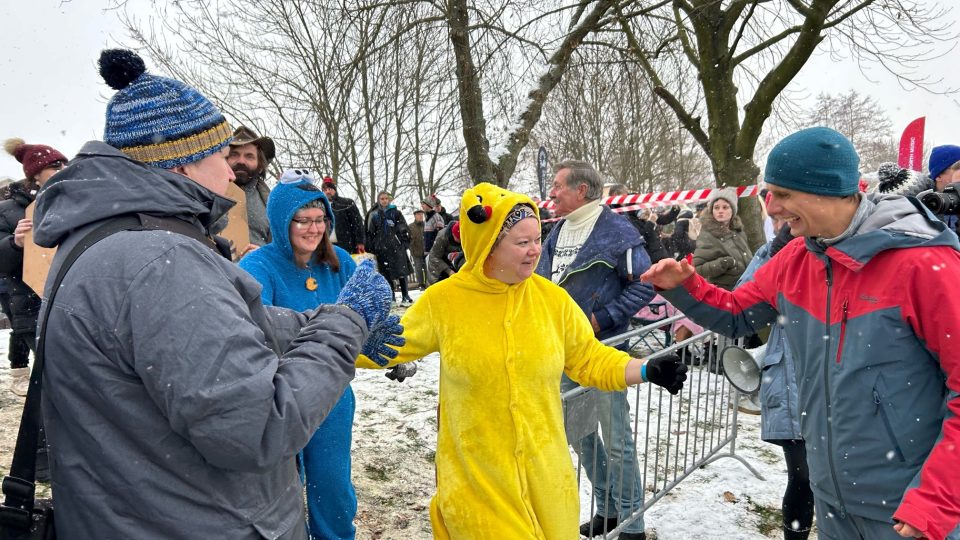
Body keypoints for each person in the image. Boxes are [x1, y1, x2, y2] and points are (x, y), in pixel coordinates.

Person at [32, 49, 399, 539]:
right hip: (200, 521)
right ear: (180, 166)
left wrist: (326, 322)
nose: (230, 173)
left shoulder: (111, 240)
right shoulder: (160, 263)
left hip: (144, 509)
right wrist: (348, 322)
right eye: (218, 156)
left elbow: (231, 330)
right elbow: (260, 426)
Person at [642, 127, 960, 540]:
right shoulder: (797, 257)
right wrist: (685, 285)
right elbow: (738, 314)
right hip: (832, 500)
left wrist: (935, 499)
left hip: (910, 512)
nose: (772, 206)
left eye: (784, 194)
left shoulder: (924, 265)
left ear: (827, 190)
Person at [361, 182, 686, 538]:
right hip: (479, 476)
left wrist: (646, 368)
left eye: (537, 239)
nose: (535, 251)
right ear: (488, 245)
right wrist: (346, 335)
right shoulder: (445, 302)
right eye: (522, 242)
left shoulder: (552, 301)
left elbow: (589, 359)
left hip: (546, 475)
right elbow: (385, 347)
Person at [238, 169, 361, 539]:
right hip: (278, 398)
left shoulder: (339, 262)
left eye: (320, 219)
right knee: (284, 487)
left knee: (333, 485)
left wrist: (381, 340)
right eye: (302, 220)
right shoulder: (258, 266)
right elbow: (254, 330)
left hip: (331, 396)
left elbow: (363, 316)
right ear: (281, 221)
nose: (313, 228)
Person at [537, 160, 654, 540]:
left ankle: (632, 524)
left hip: (604, 350)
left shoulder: (617, 232)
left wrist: (602, 318)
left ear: (581, 190)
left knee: (617, 439)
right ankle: (607, 509)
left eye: (557, 186)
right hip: (563, 351)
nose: (551, 193)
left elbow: (645, 284)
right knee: (581, 435)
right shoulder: (555, 232)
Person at [736, 220, 813, 540]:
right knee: (802, 477)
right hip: (792, 379)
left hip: (844, 382)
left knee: (846, 484)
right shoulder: (776, 249)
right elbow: (741, 304)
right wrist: (774, 253)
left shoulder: (853, 244)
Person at [0, 138, 68, 396]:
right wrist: (15, 242)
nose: (63, 170)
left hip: (70, 298)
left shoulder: (71, 202)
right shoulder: (7, 211)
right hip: (30, 302)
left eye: (64, 164)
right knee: (53, 376)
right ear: (35, 174)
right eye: (55, 166)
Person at [692, 188, 752, 291]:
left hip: (746, 287)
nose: (720, 211)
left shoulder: (738, 231)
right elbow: (698, 269)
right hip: (726, 293)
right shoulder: (708, 235)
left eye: (725, 207)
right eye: (716, 207)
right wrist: (724, 263)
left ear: (732, 210)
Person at [226, 125, 275, 248]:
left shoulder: (271, 203)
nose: (241, 161)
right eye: (234, 154)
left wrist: (262, 257)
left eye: (249, 156)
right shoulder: (207, 194)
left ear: (260, 163)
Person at [366, 190, 413, 305]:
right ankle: (390, 297)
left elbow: (404, 226)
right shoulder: (374, 215)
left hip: (396, 247)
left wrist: (402, 238)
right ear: (378, 200)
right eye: (382, 199)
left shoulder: (396, 212)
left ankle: (405, 295)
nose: (384, 201)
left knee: (401, 271)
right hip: (382, 249)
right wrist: (373, 246)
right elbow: (371, 232)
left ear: (389, 199)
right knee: (386, 274)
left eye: (386, 198)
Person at [322, 177, 367, 254]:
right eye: (325, 190)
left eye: (330, 189)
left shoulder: (347, 203)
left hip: (346, 244)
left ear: (335, 190)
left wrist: (360, 242)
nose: (328, 192)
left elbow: (357, 223)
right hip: (326, 245)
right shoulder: (320, 206)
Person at [426, 220, 462, 285]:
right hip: (439, 266)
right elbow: (434, 257)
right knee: (438, 288)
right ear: (453, 233)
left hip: (454, 262)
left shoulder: (465, 236)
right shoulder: (442, 237)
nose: (459, 241)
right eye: (458, 238)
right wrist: (449, 271)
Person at [409, 209, 427, 288]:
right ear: (415, 216)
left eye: (422, 215)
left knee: (427, 268)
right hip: (416, 252)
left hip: (426, 251)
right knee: (418, 269)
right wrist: (412, 250)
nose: (421, 216)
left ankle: (427, 283)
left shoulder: (426, 224)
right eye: (419, 215)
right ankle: (421, 284)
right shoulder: (410, 227)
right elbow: (408, 240)